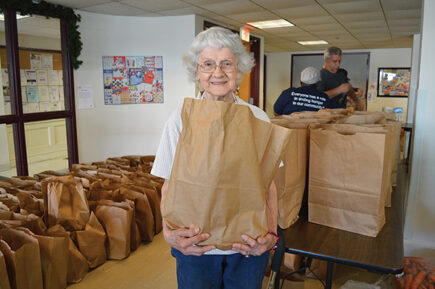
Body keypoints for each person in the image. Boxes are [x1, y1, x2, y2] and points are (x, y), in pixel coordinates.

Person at [151, 27, 279, 289]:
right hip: (196, 246)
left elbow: (270, 186)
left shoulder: (258, 119)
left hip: (246, 246)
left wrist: (272, 235)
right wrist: (168, 233)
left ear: (238, 71)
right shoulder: (180, 119)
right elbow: (168, 185)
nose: (217, 73)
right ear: (196, 72)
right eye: (208, 64)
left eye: (226, 64)